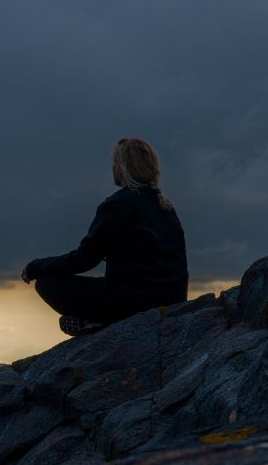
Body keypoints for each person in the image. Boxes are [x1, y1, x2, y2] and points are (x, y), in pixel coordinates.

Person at [21, 137, 188, 336]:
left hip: (131, 304)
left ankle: (101, 322)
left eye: (115, 163)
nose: (113, 168)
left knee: (48, 283)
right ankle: (96, 321)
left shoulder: (117, 205)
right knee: (108, 284)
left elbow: (84, 259)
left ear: (122, 168)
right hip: (172, 300)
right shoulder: (166, 208)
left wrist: (36, 267)